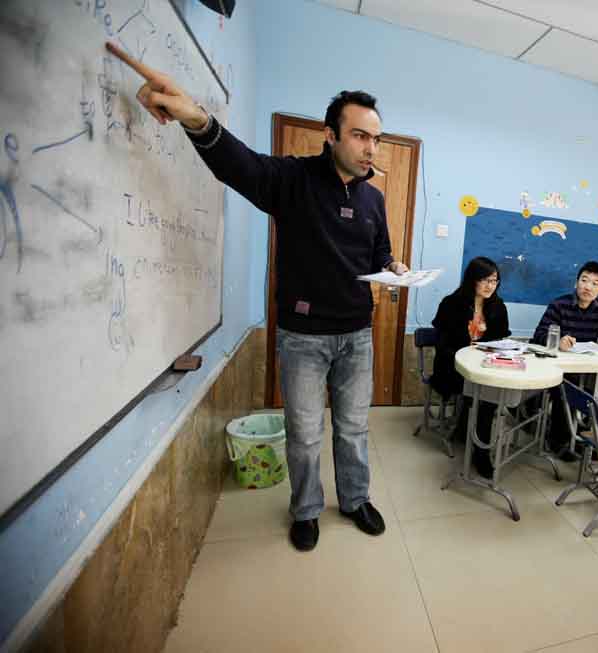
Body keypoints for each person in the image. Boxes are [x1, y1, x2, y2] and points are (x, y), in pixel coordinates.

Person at [114, 44, 408, 551]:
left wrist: (396, 267)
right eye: (360, 136)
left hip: (357, 335)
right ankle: (307, 509)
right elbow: (239, 166)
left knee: (355, 430)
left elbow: (380, 254)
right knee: (305, 434)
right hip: (303, 339)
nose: (369, 149)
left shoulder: (374, 199)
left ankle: (356, 499)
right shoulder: (292, 179)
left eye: (376, 139)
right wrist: (195, 118)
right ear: (331, 135)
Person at [531, 261, 598, 459]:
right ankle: (559, 442)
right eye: (584, 280)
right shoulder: (559, 305)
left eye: (595, 283)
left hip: (588, 369)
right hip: (560, 371)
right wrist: (559, 342)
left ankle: (593, 442)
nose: (588, 286)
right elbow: (539, 335)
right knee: (566, 393)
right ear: (576, 283)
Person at [430, 257, 510, 478]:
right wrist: (463, 357)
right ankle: (481, 453)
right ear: (471, 280)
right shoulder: (451, 303)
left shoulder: (498, 306)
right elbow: (442, 344)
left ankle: (468, 430)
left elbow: (501, 340)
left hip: (486, 368)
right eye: (484, 280)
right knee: (485, 398)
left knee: (490, 391)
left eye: (494, 281)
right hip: (453, 368)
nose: (489, 286)